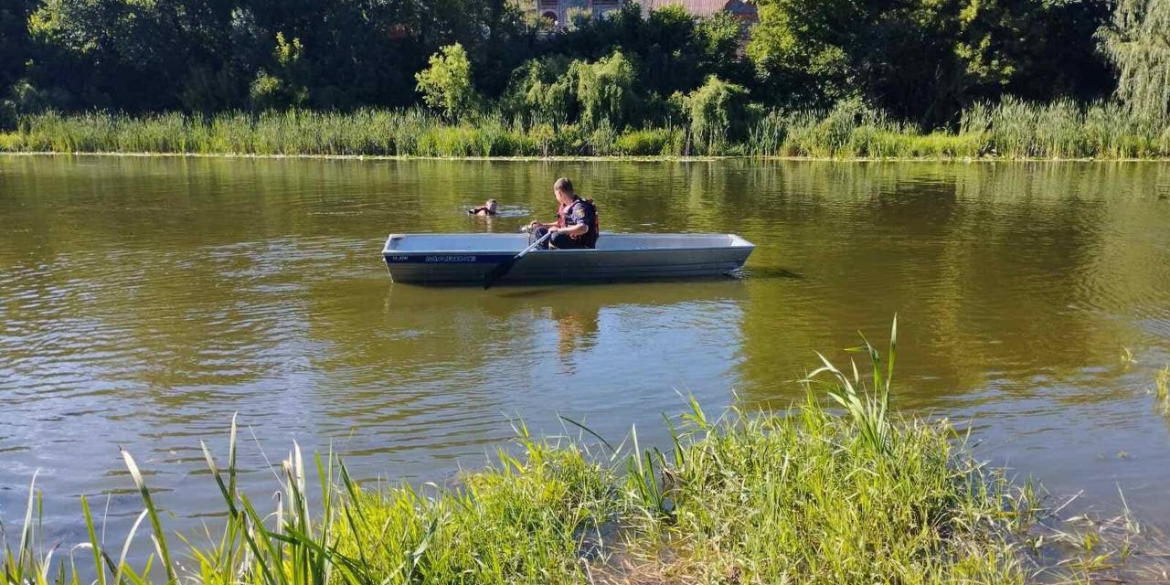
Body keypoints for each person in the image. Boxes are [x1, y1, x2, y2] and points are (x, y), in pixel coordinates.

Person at [527, 178, 599, 249]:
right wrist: (542, 225)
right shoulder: (566, 206)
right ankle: (543, 253)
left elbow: (583, 228)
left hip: (582, 246)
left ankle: (544, 254)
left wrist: (559, 230)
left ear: (560, 193)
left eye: (556, 195)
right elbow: (561, 224)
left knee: (555, 237)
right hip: (571, 241)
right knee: (540, 230)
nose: (556, 198)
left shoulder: (578, 207)